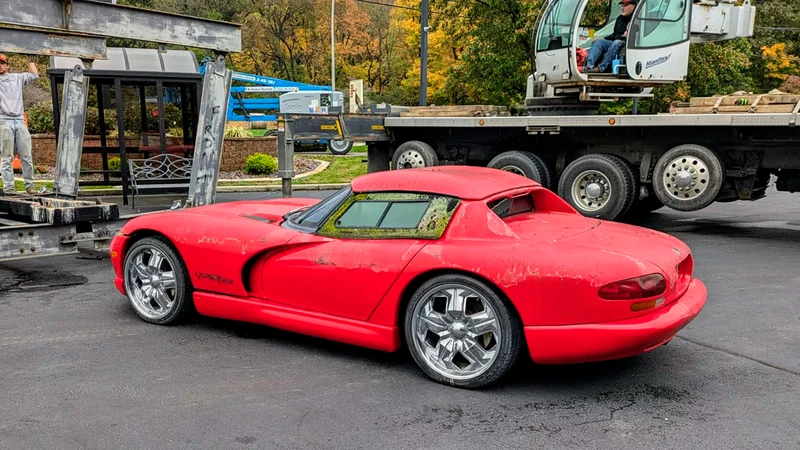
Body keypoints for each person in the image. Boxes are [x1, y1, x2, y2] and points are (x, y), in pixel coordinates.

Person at [0, 53, 39, 195]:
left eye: (2, 63)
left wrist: (30, 59)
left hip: (19, 120)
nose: (0, 65)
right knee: (6, 157)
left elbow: (34, 75)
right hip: (3, 121)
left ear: (7, 65)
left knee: (26, 156)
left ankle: (30, 187)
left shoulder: (17, 78)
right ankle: (9, 188)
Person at [584, 0, 637, 74]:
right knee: (599, 42)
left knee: (616, 42)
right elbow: (614, 34)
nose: (622, 7)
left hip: (626, 43)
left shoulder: (637, 19)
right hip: (615, 40)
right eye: (622, 5)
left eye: (625, 5)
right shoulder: (619, 18)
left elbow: (640, 34)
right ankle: (588, 66)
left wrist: (630, 34)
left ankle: (601, 67)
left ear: (632, 7)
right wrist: (603, 38)